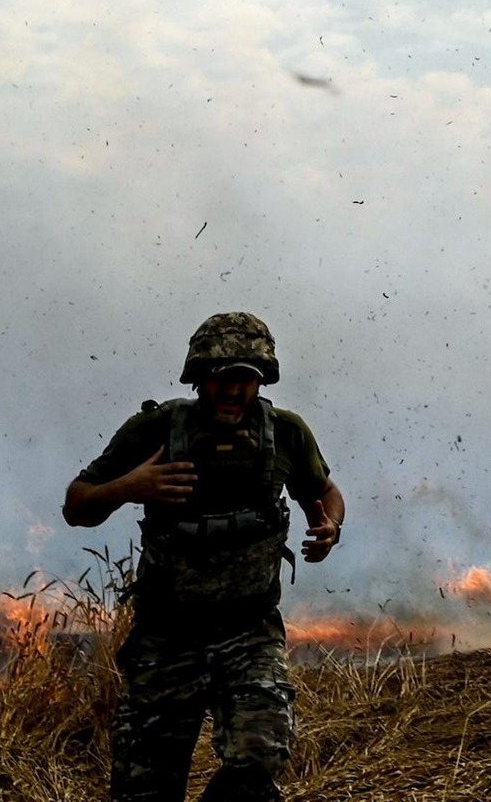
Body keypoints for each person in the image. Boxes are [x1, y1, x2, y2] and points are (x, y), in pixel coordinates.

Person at [63, 312, 345, 802]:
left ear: (262, 380)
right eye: (222, 377)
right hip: (166, 637)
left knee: (260, 758)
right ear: (198, 377)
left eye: (246, 377)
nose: (234, 389)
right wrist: (130, 487)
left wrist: (329, 527)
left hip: (249, 632)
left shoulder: (285, 433)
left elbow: (324, 492)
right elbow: (76, 505)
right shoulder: (154, 430)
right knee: (144, 789)